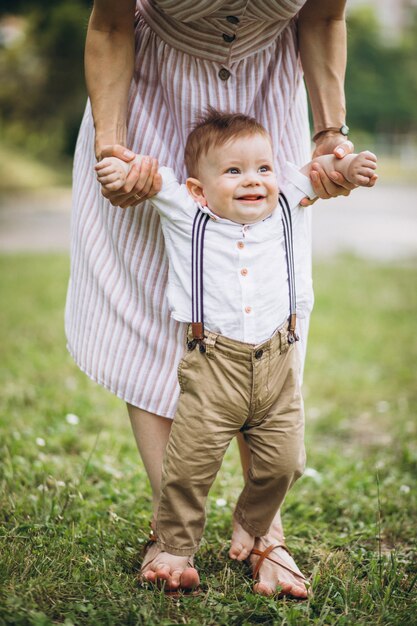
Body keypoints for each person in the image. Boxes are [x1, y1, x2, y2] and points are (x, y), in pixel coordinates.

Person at [66, 0, 356, 597]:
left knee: (268, 302)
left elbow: (324, 17)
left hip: (269, 93)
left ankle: (264, 533)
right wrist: (112, 147)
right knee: (150, 298)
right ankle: (171, 534)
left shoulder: (270, 175)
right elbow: (112, 22)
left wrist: (331, 136)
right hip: (148, 100)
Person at [95, 110, 377, 594]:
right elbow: (152, 176)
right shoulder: (187, 210)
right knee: (188, 468)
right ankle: (176, 548)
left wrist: (349, 170)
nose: (254, 180)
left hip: (278, 361)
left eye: (263, 169)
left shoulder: (288, 197)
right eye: (234, 171)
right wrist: (121, 169)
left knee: (287, 462)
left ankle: (251, 521)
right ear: (199, 189)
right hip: (213, 366)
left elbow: (321, 173)